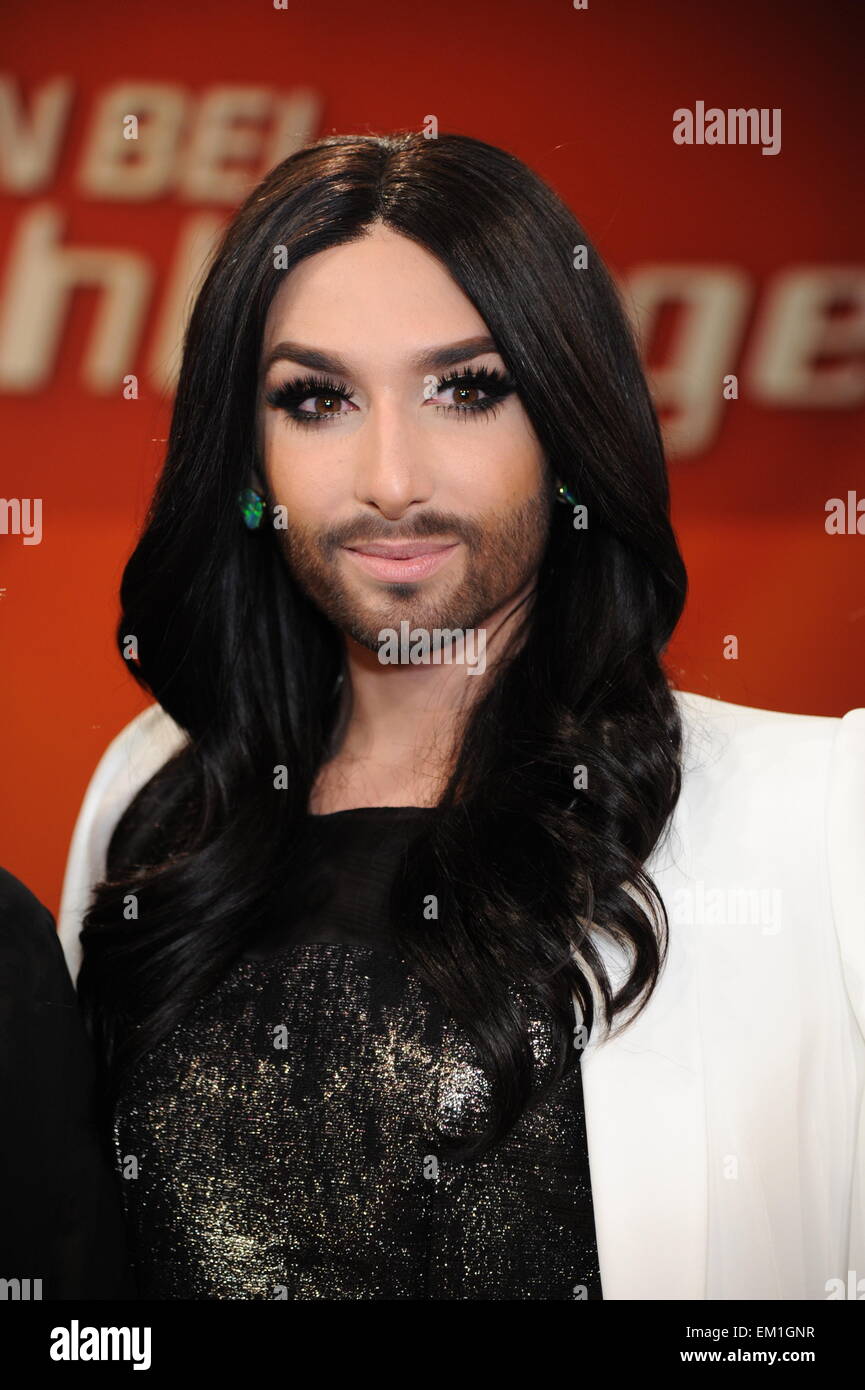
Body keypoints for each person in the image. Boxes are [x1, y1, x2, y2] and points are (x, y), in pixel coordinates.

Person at [57, 131, 864, 1301]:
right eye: (317, 398)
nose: (392, 475)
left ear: (568, 427)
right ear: (247, 453)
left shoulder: (814, 815)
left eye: (467, 388)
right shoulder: (154, 803)